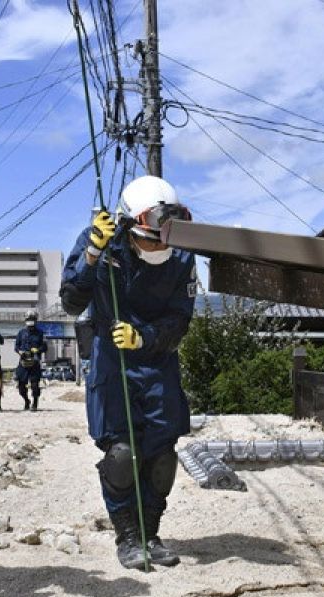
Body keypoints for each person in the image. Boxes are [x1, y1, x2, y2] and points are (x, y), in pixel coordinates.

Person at [60, 176, 197, 569]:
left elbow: (180, 319)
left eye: (165, 239)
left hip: (157, 359)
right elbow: (71, 301)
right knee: (122, 454)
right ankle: (127, 536)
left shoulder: (182, 256)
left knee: (161, 456)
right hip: (111, 360)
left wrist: (146, 337)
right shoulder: (100, 242)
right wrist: (90, 256)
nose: (160, 247)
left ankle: (151, 532)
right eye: (151, 239)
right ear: (128, 226)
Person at [14, 310, 47, 411]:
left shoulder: (40, 333)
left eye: (32, 319)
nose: (30, 321)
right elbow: (16, 347)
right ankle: (26, 400)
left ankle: (35, 403)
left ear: (35, 320)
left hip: (35, 362)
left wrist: (38, 350)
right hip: (23, 362)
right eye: (28, 319)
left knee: (35, 385)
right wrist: (20, 352)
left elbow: (45, 347)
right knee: (21, 386)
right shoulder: (21, 332)